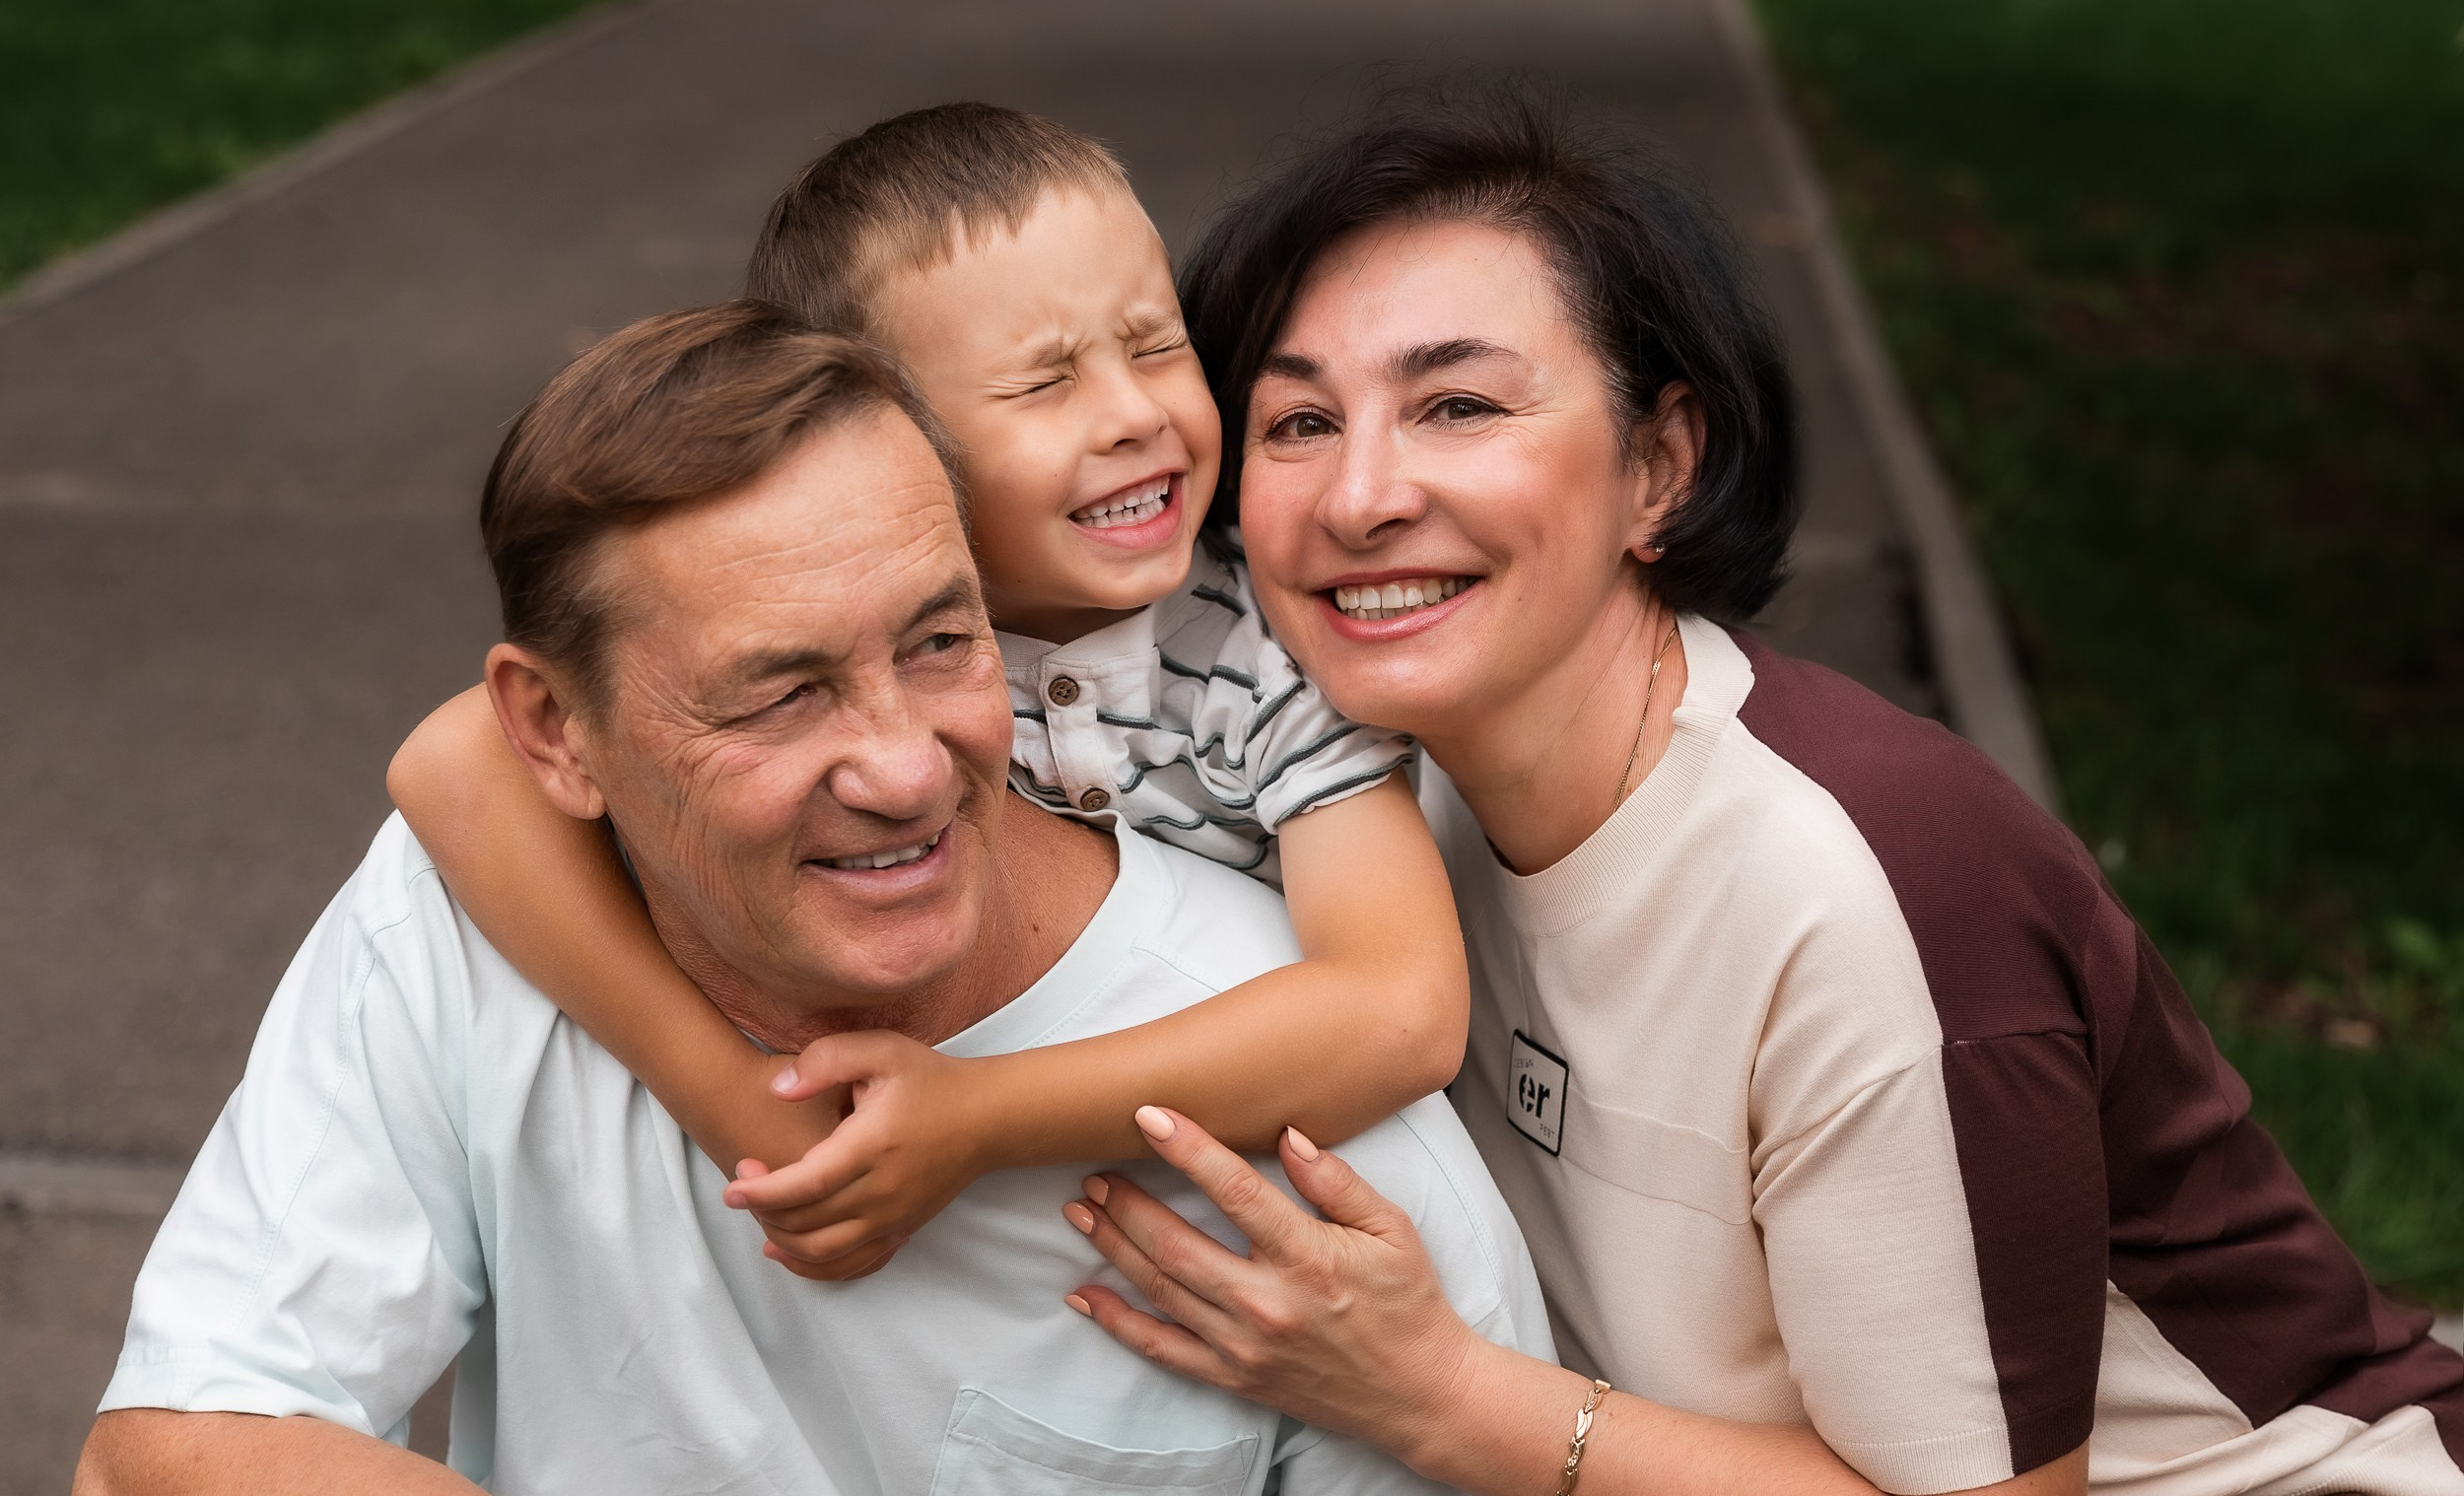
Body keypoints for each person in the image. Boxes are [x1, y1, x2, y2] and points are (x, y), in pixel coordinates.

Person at [1059, 98, 2464, 1496]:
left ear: (1660, 464)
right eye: (1298, 420)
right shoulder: (1367, 819)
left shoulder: (1863, 886)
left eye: (1460, 404)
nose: (1360, 494)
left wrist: (1440, 1394)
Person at [76, 306, 1553, 1493]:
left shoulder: (1322, 1155)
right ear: (554, 734)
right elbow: (170, 1446)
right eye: (779, 695)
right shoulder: (463, 915)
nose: (907, 769)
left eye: (938, 642)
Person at [384, 104, 1469, 1280]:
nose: (1134, 413)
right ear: (880, 445)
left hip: (1207, 1213)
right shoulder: (868, 649)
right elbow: (455, 760)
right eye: (1044, 382)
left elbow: (1402, 1008)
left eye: (1157, 346)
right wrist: (730, 1095)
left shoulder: (1268, 656)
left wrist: (976, 1115)